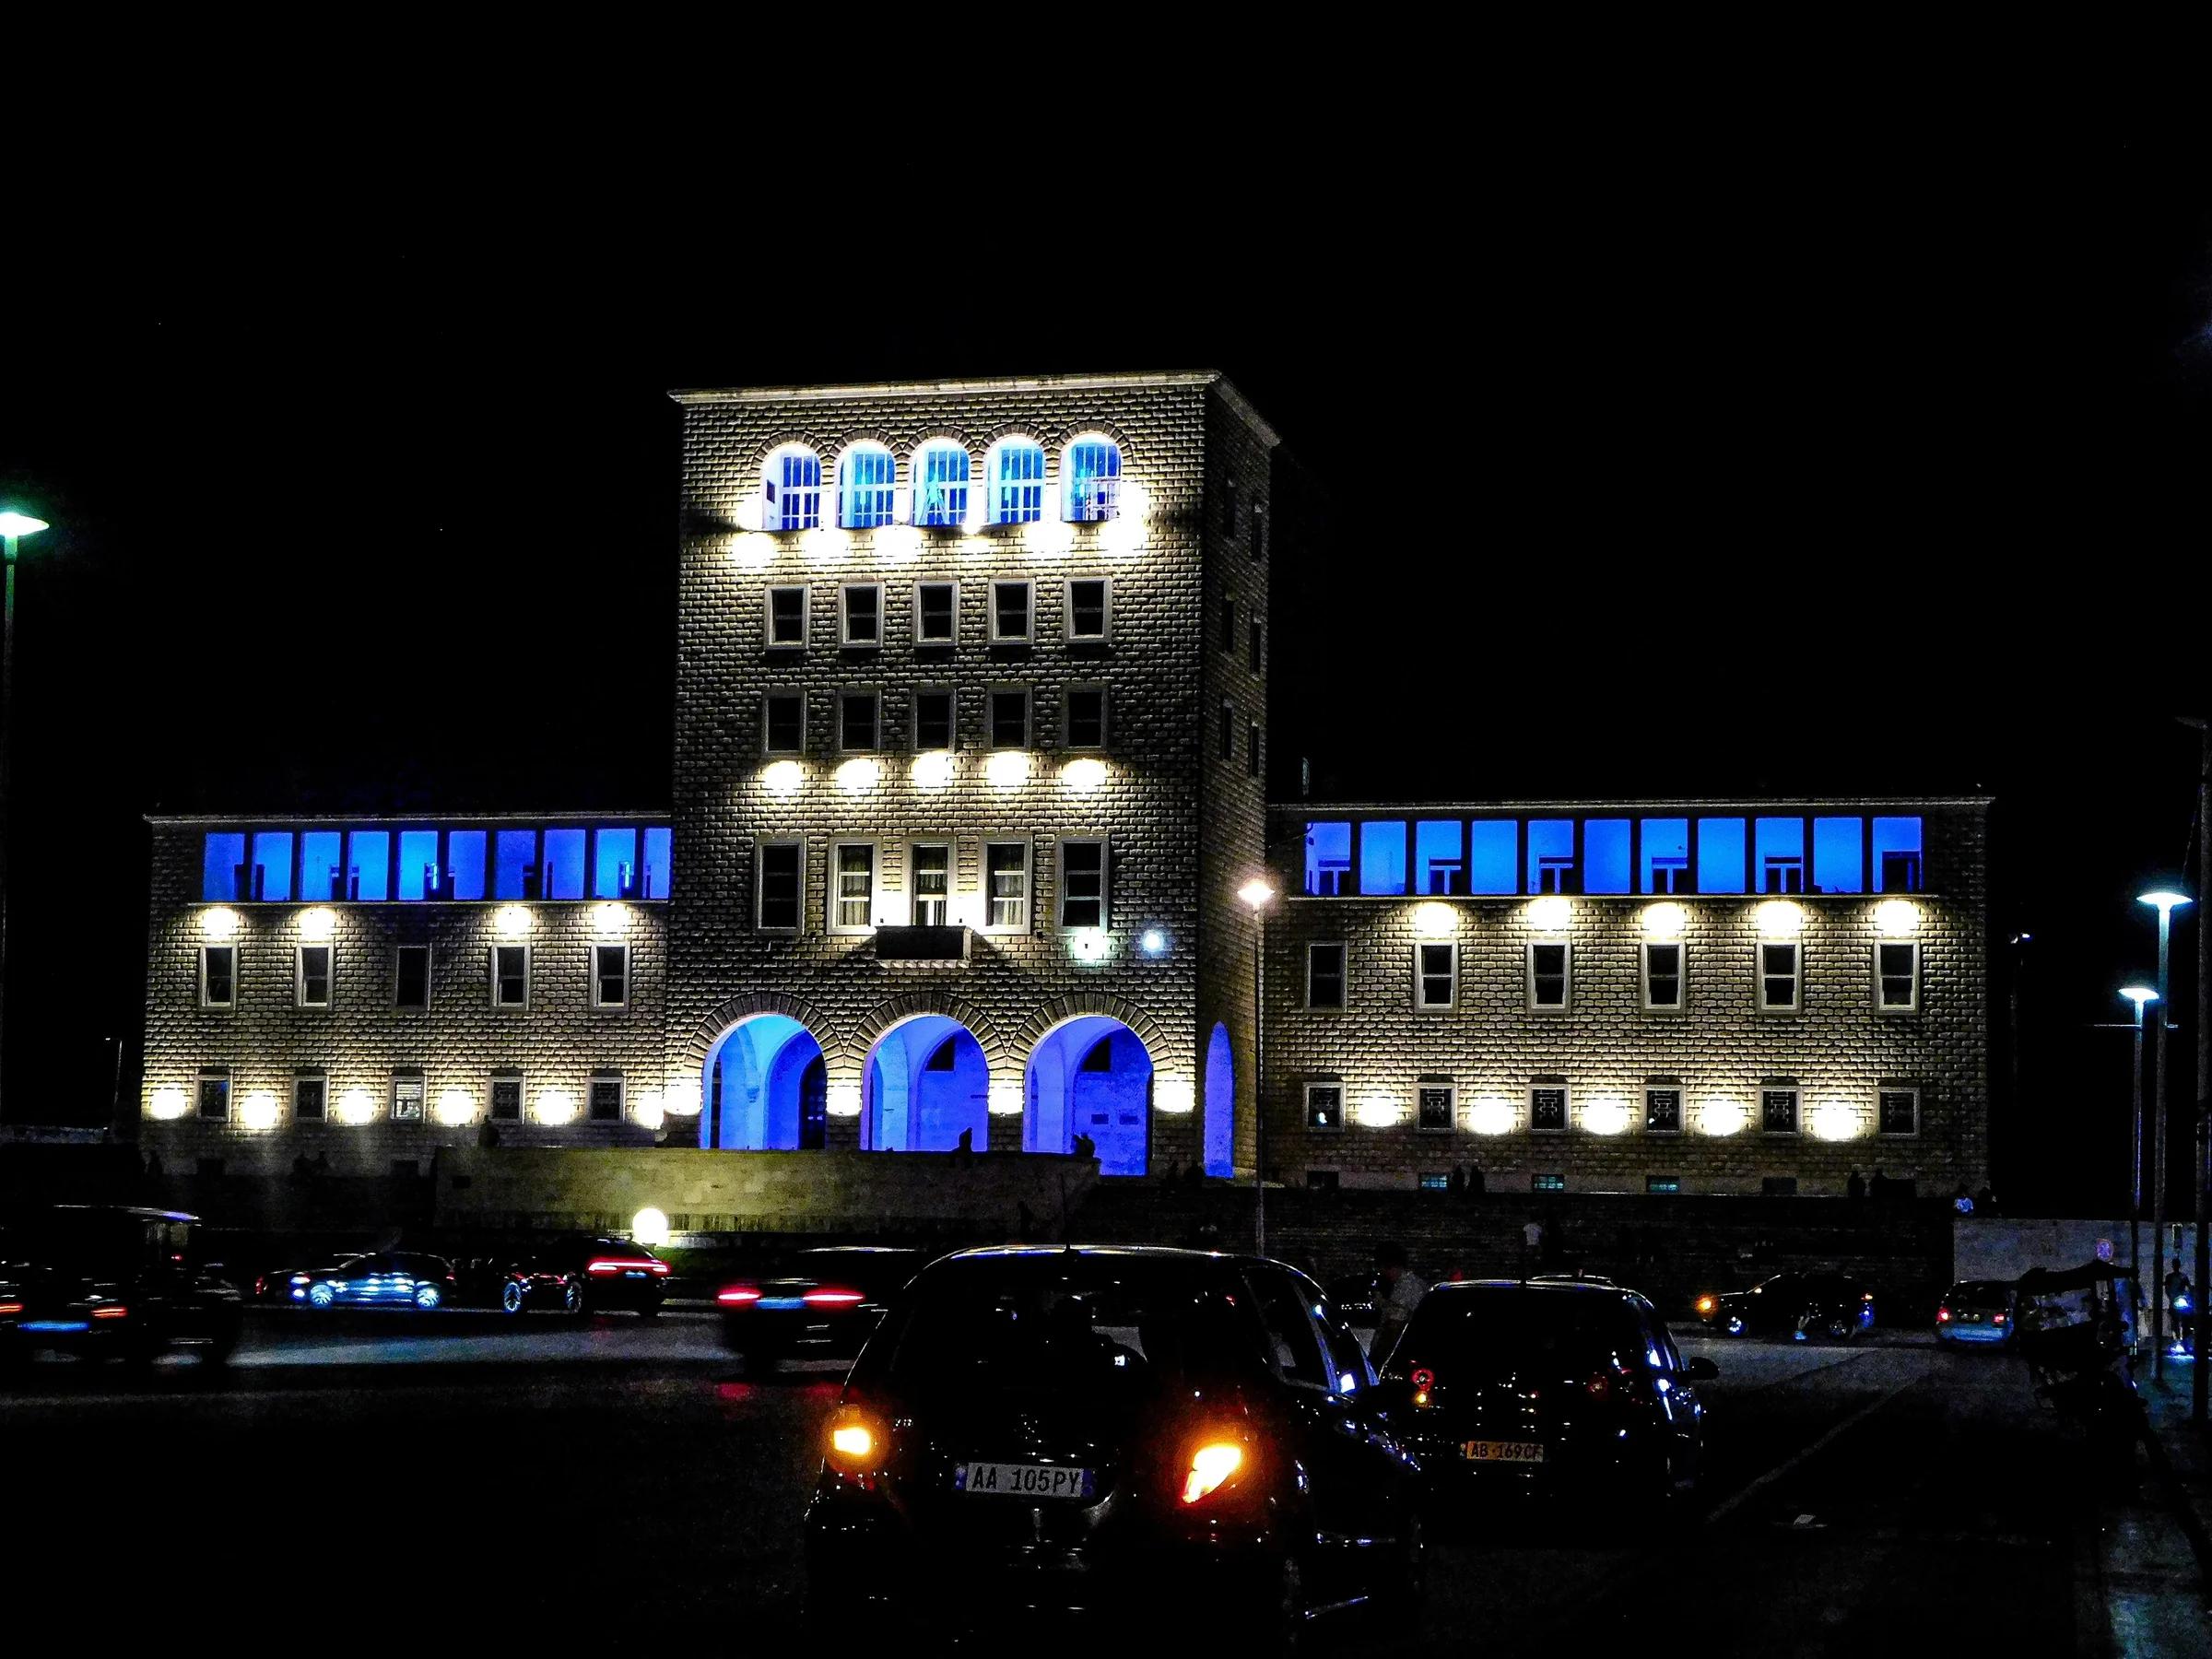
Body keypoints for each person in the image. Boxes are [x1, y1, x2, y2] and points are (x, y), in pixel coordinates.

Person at [1372, 1242, 1429, 1366]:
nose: (1382, 1272)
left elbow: (1395, 1324)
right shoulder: (1410, 1284)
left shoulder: (1407, 1286)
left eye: (1383, 1268)